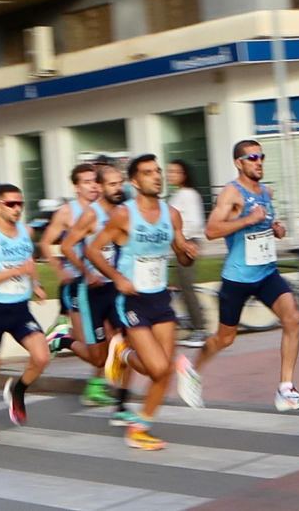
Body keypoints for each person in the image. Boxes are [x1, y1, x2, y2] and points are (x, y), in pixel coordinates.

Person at [181, 139, 299, 412]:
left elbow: (264, 222)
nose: (259, 162)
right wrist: (248, 220)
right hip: (238, 277)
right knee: (225, 339)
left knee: (292, 317)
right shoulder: (232, 193)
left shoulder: (266, 192)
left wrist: (274, 227)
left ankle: (285, 389)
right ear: (239, 163)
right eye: (252, 158)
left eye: (261, 156)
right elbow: (211, 230)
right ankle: (191, 370)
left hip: (266, 273)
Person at [87, 154, 202, 451]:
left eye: (158, 171)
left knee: (161, 373)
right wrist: (116, 277)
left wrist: (188, 252)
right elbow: (94, 250)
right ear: (135, 182)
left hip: (161, 298)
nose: (157, 176)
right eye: (149, 173)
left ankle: (140, 427)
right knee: (157, 368)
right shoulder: (124, 215)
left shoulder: (172, 214)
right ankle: (122, 352)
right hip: (132, 301)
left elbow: (181, 256)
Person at [0, 183, 52, 441]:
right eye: (11, 204)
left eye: (20, 204)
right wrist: (16, 272)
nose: (17, 209)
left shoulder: (26, 232)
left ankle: (18, 389)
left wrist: (35, 284)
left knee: (42, 357)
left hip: (20, 310)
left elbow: (29, 263)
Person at [56, 161, 127, 411]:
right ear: (100, 187)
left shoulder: (123, 212)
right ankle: (63, 340)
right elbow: (65, 247)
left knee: (121, 339)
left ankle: (119, 396)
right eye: (113, 184)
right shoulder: (90, 214)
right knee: (97, 354)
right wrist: (86, 272)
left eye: (121, 183)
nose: (118, 188)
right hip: (91, 290)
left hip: (114, 287)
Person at [39, 163, 101, 368]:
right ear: (76, 187)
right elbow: (45, 243)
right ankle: (62, 339)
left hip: (102, 280)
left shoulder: (105, 210)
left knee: (105, 340)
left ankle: (96, 386)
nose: (93, 186)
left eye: (95, 181)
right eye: (87, 182)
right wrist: (59, 269)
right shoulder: (67, 212)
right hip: (76, 281)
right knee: (86, 343)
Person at [167, 159, 209, 348]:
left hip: (187, 243)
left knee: (186, 287)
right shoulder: (179, 194)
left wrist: (184, 243)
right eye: (169, 172)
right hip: (181, 244)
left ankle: (200, 329)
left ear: (184, 174)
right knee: (182, 286)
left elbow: (193, 222)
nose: (170, 175)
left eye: (175, 172)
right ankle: (195, 326)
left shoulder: (188, 195)